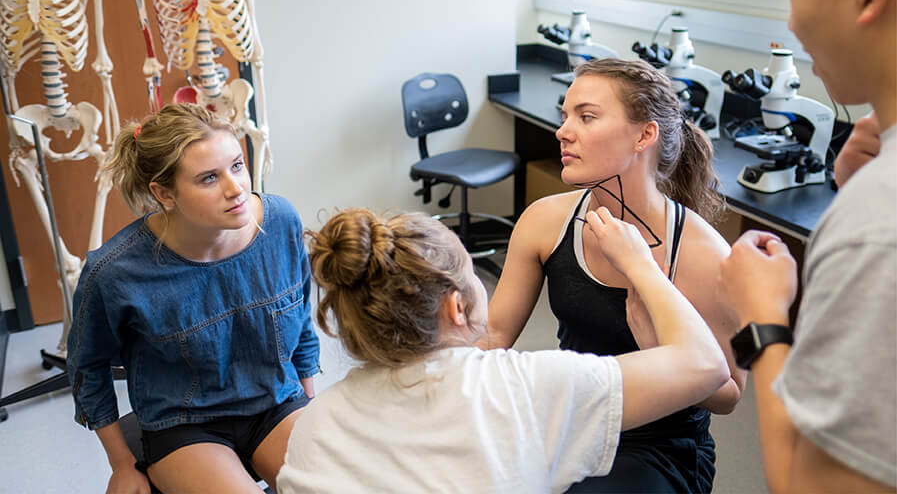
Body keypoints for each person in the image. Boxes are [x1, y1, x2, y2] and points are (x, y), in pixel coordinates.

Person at [277, 208, 728, 493]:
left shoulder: (316, 422)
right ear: (458, 307)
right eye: (473, 272)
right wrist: (641, 267)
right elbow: (707, 365)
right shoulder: (525, 387)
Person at [480, 57, 745, 492]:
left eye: (586, 117)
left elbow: (729, 394)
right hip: (570, 420)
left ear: (644, 135)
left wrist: (658, 349)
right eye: (565, 116)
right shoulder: (545, 222)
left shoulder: (704, 253)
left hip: (656, 446)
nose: (563, 131)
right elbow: (493, 334)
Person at [719, 0, 896, 493]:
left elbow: (808, 486)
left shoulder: (876, 227)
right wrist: (855, 194)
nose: (790, 21)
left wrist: (763, 317)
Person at [66, 103, 320, 494]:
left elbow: (301, 320)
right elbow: (88, 369)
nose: (236, 188)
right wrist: (122, 464)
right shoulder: (115, 271)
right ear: (164, 193)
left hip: (275, 402)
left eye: (237, 165)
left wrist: (310, 411)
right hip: (184, 424)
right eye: (208, 178)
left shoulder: (281, 221)